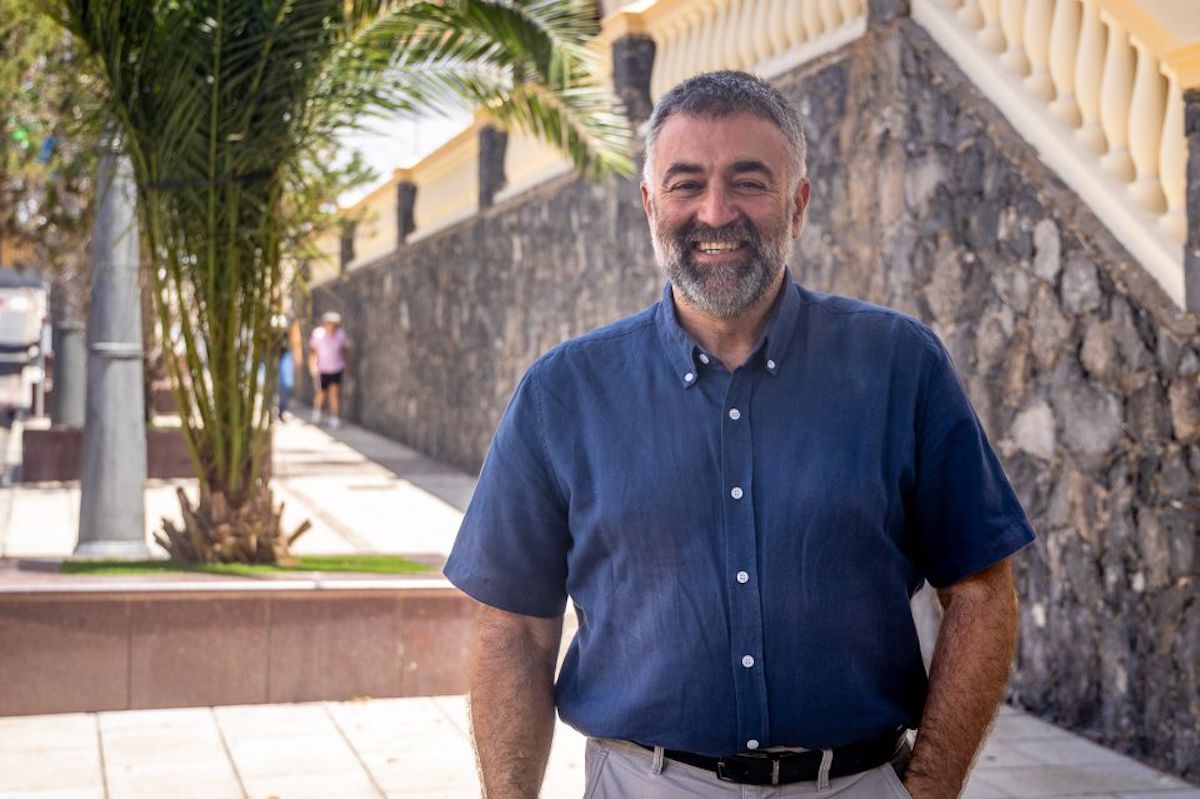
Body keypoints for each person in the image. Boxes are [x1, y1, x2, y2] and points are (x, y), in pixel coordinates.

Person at [445, 71, 1036, 799]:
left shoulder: (900, 367)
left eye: (748, 182)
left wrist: (931, 787)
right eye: (686, 183)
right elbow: (514, 629)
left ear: (799, 203)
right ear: (649, 204)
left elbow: (981, 590)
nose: (715, 212)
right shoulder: (562, 393)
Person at [308, 310, 349, 428]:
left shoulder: (341, 335)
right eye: (329, 323)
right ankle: (317, 412)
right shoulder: (318, 335)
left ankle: (334, 417)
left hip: (336, 368)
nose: (332, 326)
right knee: (321, 393)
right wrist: (312, 366)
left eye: (334, 324)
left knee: (334, 393)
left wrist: (347, 365)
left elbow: (345, 351)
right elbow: (313, 352)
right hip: (322, 369)